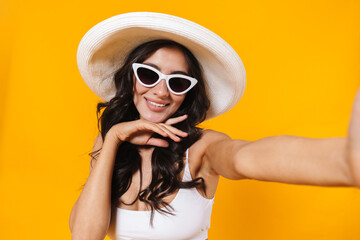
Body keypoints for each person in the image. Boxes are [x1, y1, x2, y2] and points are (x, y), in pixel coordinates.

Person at [69, 12, 360, 240]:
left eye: (177, 82)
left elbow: (246, 157)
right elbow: (84, 235)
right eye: (148, 74)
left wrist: (344, 162)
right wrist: (112, 140)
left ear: (188, 95)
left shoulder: (202, 149)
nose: (160, 91)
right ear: (130, 78)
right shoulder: (111, 143)